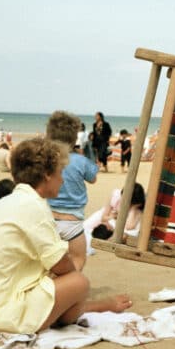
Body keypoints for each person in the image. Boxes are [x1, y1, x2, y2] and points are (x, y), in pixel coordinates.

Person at [0, 137, 132, 338]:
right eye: (60, 173)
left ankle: (84, 307)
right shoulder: (34, 207)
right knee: (78, 282)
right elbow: (64, 269)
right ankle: (93, 307)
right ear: (47, 175)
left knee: (55, 278)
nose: (63, 179)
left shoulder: (2, 205)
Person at [46, 110, 98, 270]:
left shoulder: (46, 159)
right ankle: (68, 287)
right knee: (77, 259)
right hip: (72, 222)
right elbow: (93, 178)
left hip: (47, 218)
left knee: (47, 263)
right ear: (75, 137)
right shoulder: (81, 161)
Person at [84, 182, 146, 253]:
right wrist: (112, 216)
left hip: (114, 221)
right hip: (109, 216)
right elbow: (103, 218)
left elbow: (129, 226)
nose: (123, 201)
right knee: (85, 227)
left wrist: (133, 208)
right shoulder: (116, 196)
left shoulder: (136, 210)